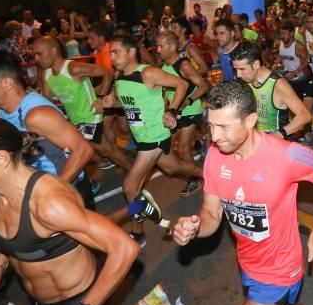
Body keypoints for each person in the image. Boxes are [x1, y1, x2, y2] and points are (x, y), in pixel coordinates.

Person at [0, 117, 176, 305]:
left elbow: (125, 248)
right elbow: (15, 238)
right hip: (42, 300)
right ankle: (137, 209)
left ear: (1, 159)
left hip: (75, 301)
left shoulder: (48, 204)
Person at [173, 81, 313, 305]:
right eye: (210, 125)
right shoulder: (214, 155)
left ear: (250, 120)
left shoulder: (287, 155)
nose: (215, 135)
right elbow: (211, 215)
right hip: (247, 261)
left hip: (280, 267)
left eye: (224, 126)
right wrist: (194, 228)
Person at [105, 34, 201, 246]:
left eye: (116, 52)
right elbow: (129, 104)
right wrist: (109, 102)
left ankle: (138, 232)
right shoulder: (119, 76)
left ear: (131, 52)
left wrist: (173, 111)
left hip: (155, 137)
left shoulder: (148, 73)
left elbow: (181, 85)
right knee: (175, 168)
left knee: (130, 187)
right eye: (110, 53)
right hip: (142, 138)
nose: (111, 57)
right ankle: (207, 174)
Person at [0, 51, 96, 206]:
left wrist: (52, 192)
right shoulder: (2, 112)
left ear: (7, 83)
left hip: (68, 193)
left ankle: (133, 211)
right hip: (40, 192)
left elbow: (83, 150)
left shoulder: (36, 115)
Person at [32, 36, 132, 173]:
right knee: (89, 150)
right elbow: (48, 99)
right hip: (75, 119)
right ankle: (118, 164)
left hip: (90, 116)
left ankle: (133, 172)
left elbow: (107, 72)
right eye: (34, 55)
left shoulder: (74, 68)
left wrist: (101, 98)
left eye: (39, 54)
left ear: (53, 51)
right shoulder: (47, 74)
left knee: (106, 151)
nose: (36, 59)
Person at [156, 31, 210, 198]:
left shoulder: (183, 65)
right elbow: (166, 92)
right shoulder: (164, 67)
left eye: (161, 46)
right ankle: (200, 144)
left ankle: (196, 178)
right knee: (166, 145)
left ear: (172, 47)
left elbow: (203, 86)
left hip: (190, 110)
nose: (157, 50)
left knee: (183, 148)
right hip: (175, 112)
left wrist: (187, 101)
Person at [230, 41, 311, 139]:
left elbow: (305, 115)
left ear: (256, 64)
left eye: (242, 69)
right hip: (255, 140)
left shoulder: (278, 84)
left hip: (276, 144)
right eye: (236, 69)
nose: (238, 74)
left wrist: (278, 135)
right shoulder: (246, 80)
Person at [274, 20, 310, 97]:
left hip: (300, 76)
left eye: (284, 33)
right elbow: (280, 54)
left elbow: (307, 61)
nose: (282, 36)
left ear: (291, 33)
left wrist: (294, 72)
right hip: (288, 74)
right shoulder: (280, 43)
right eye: (280, 33)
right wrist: (276, 63)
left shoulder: (299, 47)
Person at [214, 18, 239, 83]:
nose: (218, 37)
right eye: (217, 34)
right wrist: (221, 80)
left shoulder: (241, 51)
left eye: (222, 33)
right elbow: (225, 69)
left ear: (232, 33)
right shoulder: (220, 51)